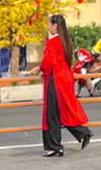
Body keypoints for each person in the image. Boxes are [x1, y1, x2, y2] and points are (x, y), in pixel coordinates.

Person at [29, 15, 92, 157]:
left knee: (51, 114)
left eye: (49, 24)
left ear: (55, 26)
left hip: (55, 79)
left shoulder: (52, 42)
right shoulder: (67, 41)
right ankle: (83, 133)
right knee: (64, 109)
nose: (48, 27)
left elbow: (48, 62)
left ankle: (54, 146)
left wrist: (40, 70)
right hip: (66, 78)